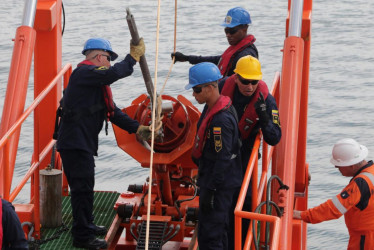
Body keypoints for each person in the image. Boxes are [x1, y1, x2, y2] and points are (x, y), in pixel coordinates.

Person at [56, 37, 152, 249]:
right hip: (75, 142)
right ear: (98, 56)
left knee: (85, 186)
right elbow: (114, 73)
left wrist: (137, 128)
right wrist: (132, 58)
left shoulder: (93, 83)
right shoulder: (83, 74)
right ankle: (82, 237)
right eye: (108, 58)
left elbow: (113, 113)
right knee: (82, 189)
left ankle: (87, 224)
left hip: (80, 142)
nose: (109, 63)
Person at [217, 55, 281, 248]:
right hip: (222, 150)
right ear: (236, 78)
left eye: (254, 81)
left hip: (244, 155)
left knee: (244, 201)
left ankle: (240, 243)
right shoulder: (221, 88)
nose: (250, 86)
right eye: (245, 81)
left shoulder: (267, 101)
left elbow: (275, 136)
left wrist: (264, 118)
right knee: (220, 200)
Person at [186, 62, 242, 249]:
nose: (194, 94)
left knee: (211, 235)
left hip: (219, 185)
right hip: (219, 180)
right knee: (219, 231)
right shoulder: (215, 108)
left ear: (210, 88)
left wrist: (211, 189)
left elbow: (222, 158)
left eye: (196, 89)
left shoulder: (220, 121)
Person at [294, 138, 374, 249]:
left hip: (366, 241)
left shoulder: (360, 183)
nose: (337, 168)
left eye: (338, 166)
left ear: (351, 165)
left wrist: (302, 215)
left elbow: (333, 209)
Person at [171, 7, 258, 77]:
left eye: (232, 31)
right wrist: (187, 58)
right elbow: (217, 60)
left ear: (244, 29)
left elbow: (245, 86)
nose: (228, 35)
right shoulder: (236, 49)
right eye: (226, 31)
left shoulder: (246, 55)